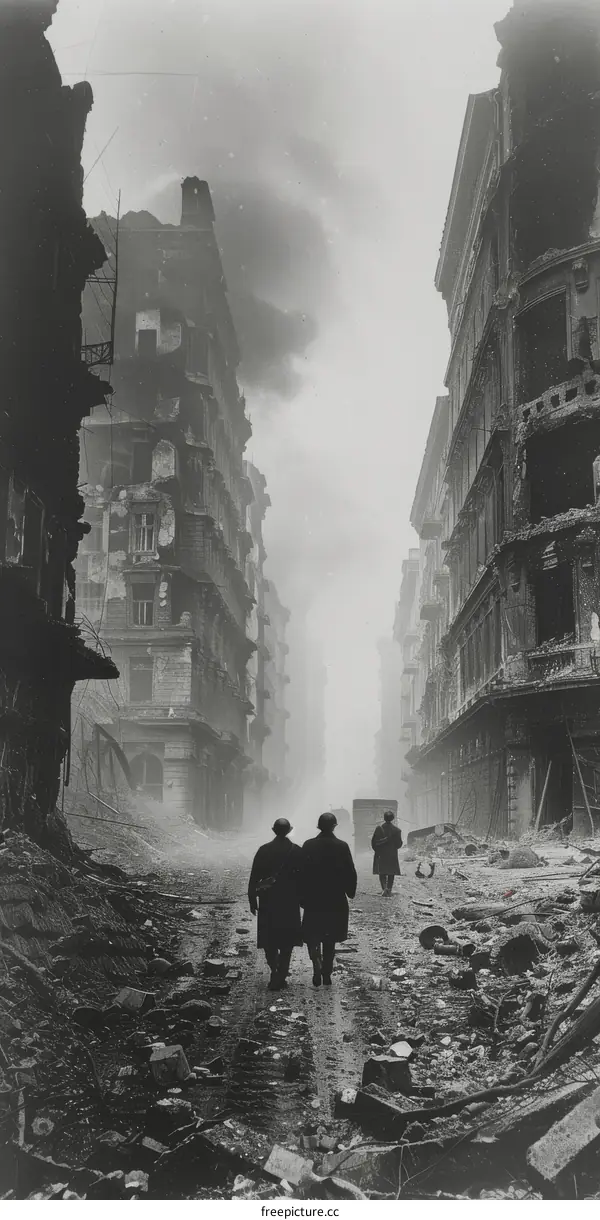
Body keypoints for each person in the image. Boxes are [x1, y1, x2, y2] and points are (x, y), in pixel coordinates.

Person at [300, 811, 357, 987]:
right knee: (330, 938)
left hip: (313, 898)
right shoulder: (342, 846)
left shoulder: (308, 845)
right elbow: (350, 872)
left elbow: (300, 872)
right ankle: (327, 971)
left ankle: (315, 961)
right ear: (334, 826)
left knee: (312, 934)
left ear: (319, 826)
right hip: (335, 898)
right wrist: (350, 892)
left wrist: (301, 896)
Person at [248, 818, 303, 991]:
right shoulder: (297, 851)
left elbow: (254, 877)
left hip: (268, 899)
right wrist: (304, 899)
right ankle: (281, 974)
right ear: (289, 831)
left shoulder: (263, 850)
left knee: (269, 939)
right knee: (287, 940)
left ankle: (275, 970)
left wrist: (252, 899)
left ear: (273, 830)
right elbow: (304, 878)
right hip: (290, 901)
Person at [371, 809, 403, 896]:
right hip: (392, 854)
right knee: (391, 873)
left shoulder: (379, 829)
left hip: (381, 854)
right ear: (392, 818)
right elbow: (399, 844)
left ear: (384, 818)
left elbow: (373, 843)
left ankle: (384, 888)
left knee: (382, 872)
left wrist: (378, 851)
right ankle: (389, 889)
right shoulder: (397, 830)